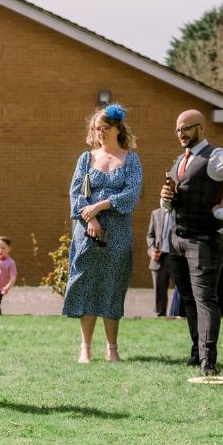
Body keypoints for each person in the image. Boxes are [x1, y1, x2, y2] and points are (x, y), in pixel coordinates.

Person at [160, 109, 223, 375]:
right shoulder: (178, 161)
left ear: (201, 128)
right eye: (178, 129)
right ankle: (195, 352)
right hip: (176, 239)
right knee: (187, 299)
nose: (181, 134)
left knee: (205, 300)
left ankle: (208, 362)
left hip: (203, 241)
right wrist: (166, 198)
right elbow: (168, 204)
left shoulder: (216, 155)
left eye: (186, 128)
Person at [62, 104, 143, 363]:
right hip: (87, 231)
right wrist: (92, 216)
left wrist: (102, 204)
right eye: (96, 129)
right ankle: (85, 348)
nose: (99, 133)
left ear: (118, 128)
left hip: (117, 233)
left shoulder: (131, 160)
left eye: (105, 128)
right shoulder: (85, 159)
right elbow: (75, 194)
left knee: (112, 285)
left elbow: (131, 195)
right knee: (87, 284)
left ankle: (112, 348)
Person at [146, 207, 175, 317]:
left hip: (175, 258)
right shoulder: (155, 213)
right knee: (159, 293)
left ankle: (180, 316)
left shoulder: (179, 213)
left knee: (180, 291)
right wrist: (152, 250)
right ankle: (159, 316)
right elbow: (150, 235)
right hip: (158, 259)